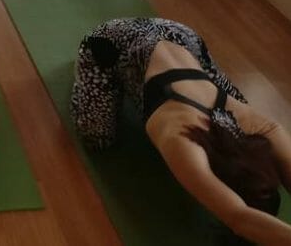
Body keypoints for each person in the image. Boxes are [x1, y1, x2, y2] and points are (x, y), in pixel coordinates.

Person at [71, 18, 291, 243]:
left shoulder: (258, 125)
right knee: (97, 137)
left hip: (183, 37)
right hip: (114, 40)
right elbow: (238, 217)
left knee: (235, 97)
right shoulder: (182, 139)